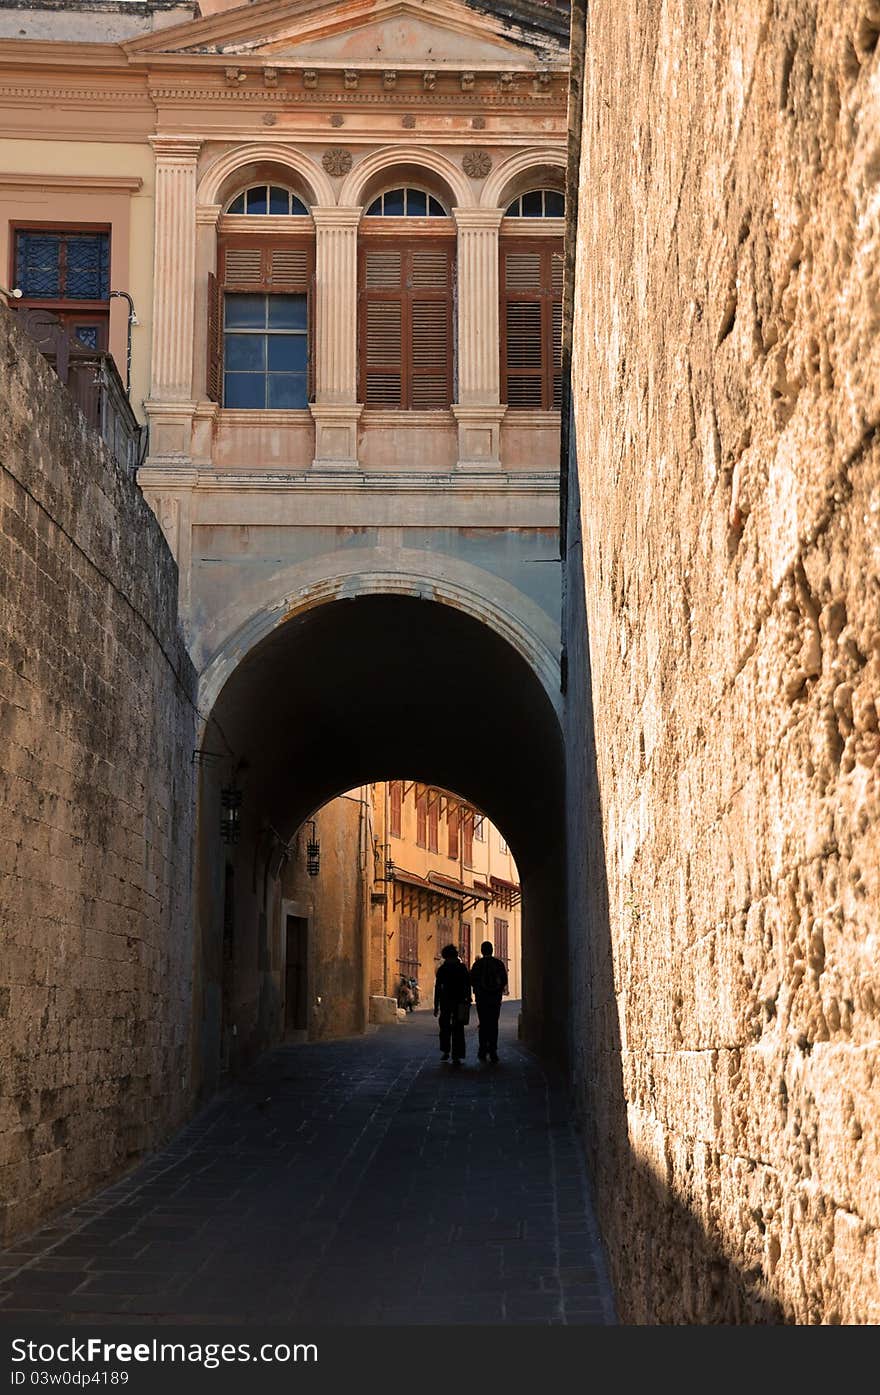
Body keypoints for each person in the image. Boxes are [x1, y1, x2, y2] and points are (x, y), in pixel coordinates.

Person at [433, 943, 471, 1067]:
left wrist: (436, 1005)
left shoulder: (443, 969)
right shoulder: (462, 968)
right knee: (458, 1028)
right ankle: (457, 1054)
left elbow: (438, 988)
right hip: (459, 1001)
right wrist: (468, 999)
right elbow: (467, 985)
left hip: (446, 1001)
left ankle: (445, 1050)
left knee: (444, 1027)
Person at [469, 941, 508, 1063]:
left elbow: (472, 980)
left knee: (483, 1024)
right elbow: (504, 980)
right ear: (492, 950)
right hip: (495, 999)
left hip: (482, 999)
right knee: (493, 1024)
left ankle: (482, 1050)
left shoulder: (477, 964)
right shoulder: (499, 963)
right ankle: (493, 1051)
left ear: (482, 950)